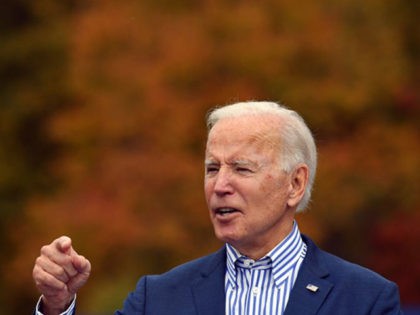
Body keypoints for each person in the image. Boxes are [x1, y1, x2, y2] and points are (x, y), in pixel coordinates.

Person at [33, 101, 402, 314]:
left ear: (295, 184)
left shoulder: (366, 299)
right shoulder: (158, 298)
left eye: (242, 168)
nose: (220, 186)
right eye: (212, 168)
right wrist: (57, 305)